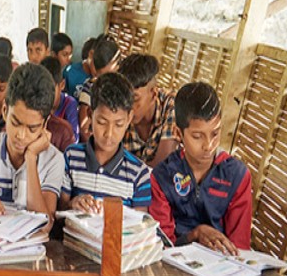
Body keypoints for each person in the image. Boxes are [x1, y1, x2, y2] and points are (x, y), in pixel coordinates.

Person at [149, 82, 252, 255]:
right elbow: (162, 245)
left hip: (224, 269)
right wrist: (194, 235)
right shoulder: (163, 177)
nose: (208, 145)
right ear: (179, 133)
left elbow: (239, 248)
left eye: (215, 133)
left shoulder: (237, 176)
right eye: (197, 136)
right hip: (174, 267)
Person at [0, 63, 64, 228]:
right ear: (5, 110)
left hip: (32, 252)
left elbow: (45, 226)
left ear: (45, 123)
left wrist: (31, 158)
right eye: (16, 122)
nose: (21, 135)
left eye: (32, 128)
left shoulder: (54, 160)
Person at [60, 73, 151, 213]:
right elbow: (59, 209)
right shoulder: (72, 157)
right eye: (102, 122)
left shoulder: (138, 173)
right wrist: (73, 203)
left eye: (118, 124)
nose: (109, 133)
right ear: (90, 114)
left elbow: (138, 227)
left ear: (129, 119)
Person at [118, 54, 178, 167]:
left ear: (153, 94)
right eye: (124, 97)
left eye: (135, 98)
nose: (127, 105)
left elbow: (163, 166)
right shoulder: (118, 107)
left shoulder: (171, 104)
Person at [77, 34, 121, 142]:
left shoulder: (124, 91)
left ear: (118, 66)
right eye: (101, 76)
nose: (106, 81)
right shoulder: (89, 87)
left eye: (110, 74)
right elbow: (84, 130)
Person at [41, 56, 79, 143]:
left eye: (51, 89)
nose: (46, 94)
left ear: (62, 85)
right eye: (42, 89)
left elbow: (74, 140)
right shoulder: (37, 103)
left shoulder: (69, 103)